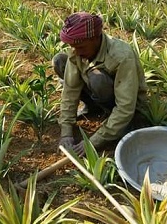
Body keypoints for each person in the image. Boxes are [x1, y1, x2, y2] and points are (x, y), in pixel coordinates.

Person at [53, 12, 147, 156]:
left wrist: (93, 141)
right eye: (73, 47)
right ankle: (94, 108)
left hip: (126, 105)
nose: (76, 52)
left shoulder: (121, 56)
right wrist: (66, 132)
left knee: (97, 79)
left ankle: (118, 124)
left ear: (96, 38)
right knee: (60, 61)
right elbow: (70, 91)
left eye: (81, 48)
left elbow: (125, 107)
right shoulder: (77, 50)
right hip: (99, 93)